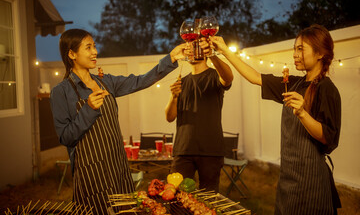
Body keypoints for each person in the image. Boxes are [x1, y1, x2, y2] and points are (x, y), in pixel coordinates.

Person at [50, 28, 185, 214]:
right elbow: (66, 137)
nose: (95, 52)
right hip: (91, 172)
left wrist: (171, 59)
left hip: (117, 167)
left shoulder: (106, 82)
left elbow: (141, 80)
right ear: (72, 54)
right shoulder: (61, 92)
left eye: (94, 46)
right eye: (88, 47)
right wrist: (88, 109)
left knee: (126, 211)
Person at [210, 24, 341, 214]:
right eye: (294, 49)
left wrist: (303, 113)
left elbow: (329, 138)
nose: (295, 54)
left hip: (312, 180)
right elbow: (255, 77)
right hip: (288, 177)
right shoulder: (292, 84)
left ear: (320, 53)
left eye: (300, 49)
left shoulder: (327, 89)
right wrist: (224, 51)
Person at [165, 38, 233, 192]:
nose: (191, 50)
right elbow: (169, 117)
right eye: (189, 47)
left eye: (196, 46)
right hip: (183, 150)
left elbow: (228, 78)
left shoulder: (215, 75)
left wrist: (213, 55)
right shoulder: (182, 81)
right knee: (177, 197)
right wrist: (174, 97)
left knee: (208, 199)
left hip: (211, 150)